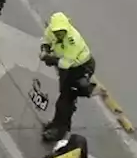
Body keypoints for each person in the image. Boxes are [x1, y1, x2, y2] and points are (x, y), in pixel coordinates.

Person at [38, 12, 95, 141]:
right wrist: (45, 49)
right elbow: (46, 40)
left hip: (79, 68)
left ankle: (59, 131)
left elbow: (65, 64)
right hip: (67, 69)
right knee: (64, 96)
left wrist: (49, 59)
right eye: (56, 31)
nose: (59, 34)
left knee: (65, 101)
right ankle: (57, 124)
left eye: (61, 31)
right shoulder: (51, 31)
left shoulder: (72, 40)